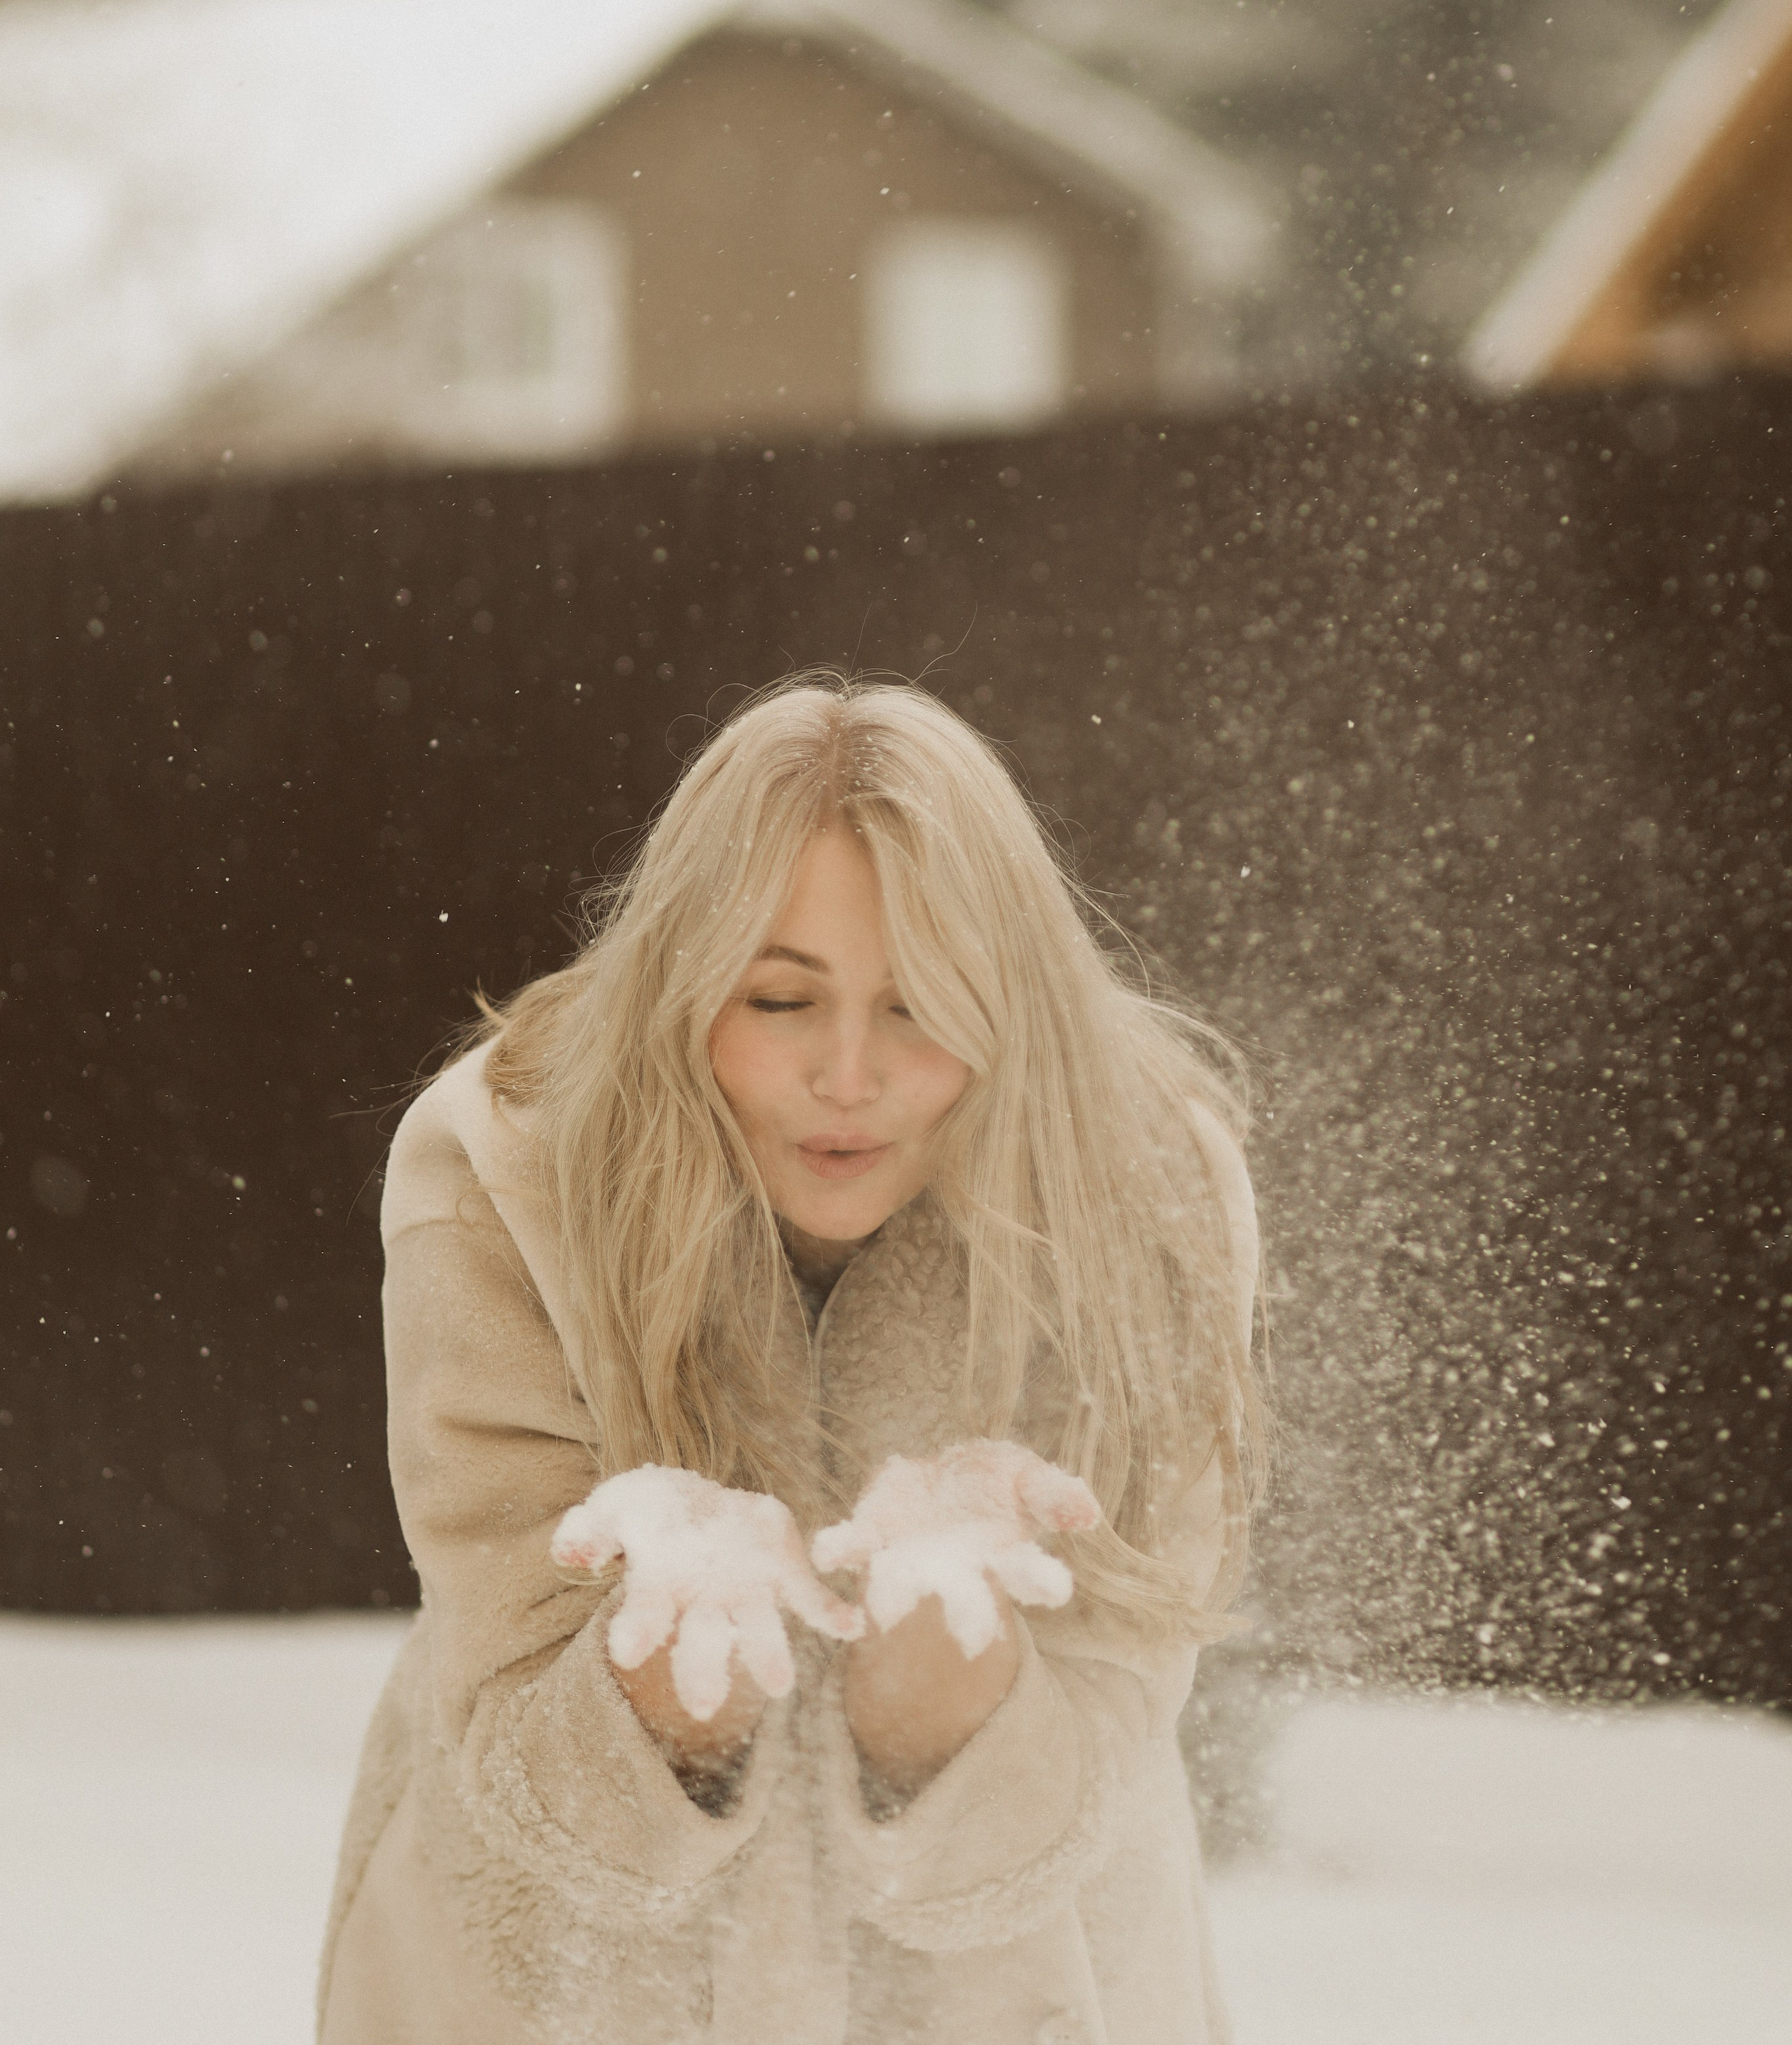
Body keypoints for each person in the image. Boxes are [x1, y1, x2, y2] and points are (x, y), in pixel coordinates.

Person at [318, 677, 1262, 2045]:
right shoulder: (504, 1167)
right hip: (531, 1995)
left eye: (921, 1007)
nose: (845, 1073)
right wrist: (676, 1665)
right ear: (686, 990)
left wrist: (942, 1671)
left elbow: (1082, 1769)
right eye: (778, 999)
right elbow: (532, 1756)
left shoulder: (1148, 1195)